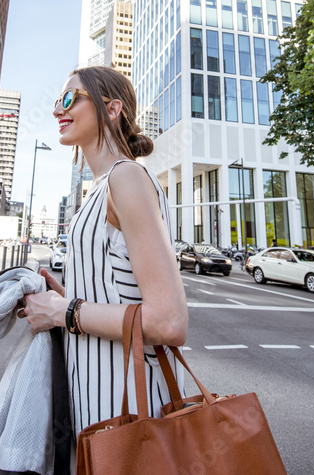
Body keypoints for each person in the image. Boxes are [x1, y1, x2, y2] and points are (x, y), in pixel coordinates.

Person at [19, 66, 189, 439]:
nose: (56, 110)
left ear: (111, 109)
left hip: (129, 411)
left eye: (68, 99)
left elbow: (168, 322)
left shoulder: (125, 178)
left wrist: (65, 312)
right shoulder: (98, 189)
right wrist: (63, 301)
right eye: (55, 101)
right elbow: (121, 296)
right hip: (97, 407)